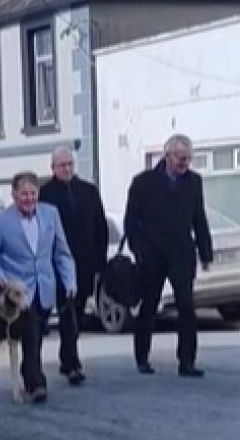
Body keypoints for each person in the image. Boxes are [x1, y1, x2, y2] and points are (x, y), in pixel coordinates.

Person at [0, 171, 76, 404]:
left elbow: (62, 253)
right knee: (31, 334)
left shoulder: (51, 214)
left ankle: (28, 372)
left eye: (33, 193)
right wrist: (0, 277)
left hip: (45, 287)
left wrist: (70, 281)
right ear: (14, 195)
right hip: (17, 291)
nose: (28, 198)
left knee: (36, 337)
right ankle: (36, 384)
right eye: (23, 194)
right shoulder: (0, 222)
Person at [124, 134, 212, 378]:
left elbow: (199, 218)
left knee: (186, 307)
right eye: (180, 158)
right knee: (149, 305)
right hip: (152, 253)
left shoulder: (194, 182)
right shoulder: (143, 182)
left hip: (181, 253)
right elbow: (131, 220)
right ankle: (142, 357)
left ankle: (187, 361)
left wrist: (206, 252)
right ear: (167, 156)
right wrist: (138, 249)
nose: (184, 163)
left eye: (188, 158)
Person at [39, 146, 108, 386]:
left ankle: (66, 356)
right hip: (57, 264)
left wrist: (100, 262)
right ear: (53, 168)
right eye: (61, 165)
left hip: (85, 263)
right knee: (66, 311)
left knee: (77, 312)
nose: (67, 169)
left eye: (69, 164)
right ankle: (72, 363)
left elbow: (100, 228)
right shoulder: (45, 194)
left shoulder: (88, 191)